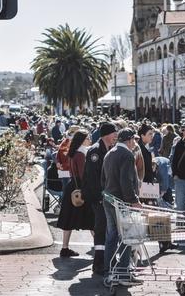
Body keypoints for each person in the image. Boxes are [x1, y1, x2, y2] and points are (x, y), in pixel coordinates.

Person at [101, 128, 142, 286]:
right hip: (121, 201)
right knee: (127, 236)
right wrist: (133, 200)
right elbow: (126, 181)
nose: (135, 143)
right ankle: (123, 273)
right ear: (130, 140)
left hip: (109, 199)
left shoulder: (110, 153)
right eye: (134, 140)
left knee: (111, 236)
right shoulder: (127, 155)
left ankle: (109, 271)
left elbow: (103, 179)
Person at [82, 122, 117, 275]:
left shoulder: (108, 149)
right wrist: (100, 197)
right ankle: (98, 263)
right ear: (106, 135)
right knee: (101, 229)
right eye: (113, 133)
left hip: (106, 197)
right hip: (99, 198)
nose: (115, 136)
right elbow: (92, 177)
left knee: (106, 229)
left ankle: (106, 260)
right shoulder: (95, 151)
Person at [57, 129, 94, 258]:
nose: (90, 139)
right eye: (88, 137)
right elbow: (85, 174)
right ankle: (100, 247)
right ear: (83, 140)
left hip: (72, 188)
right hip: (81, 188)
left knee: (68, 219)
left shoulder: (74, 153)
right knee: (92, 218)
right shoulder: (82, 154)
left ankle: (64, 248)